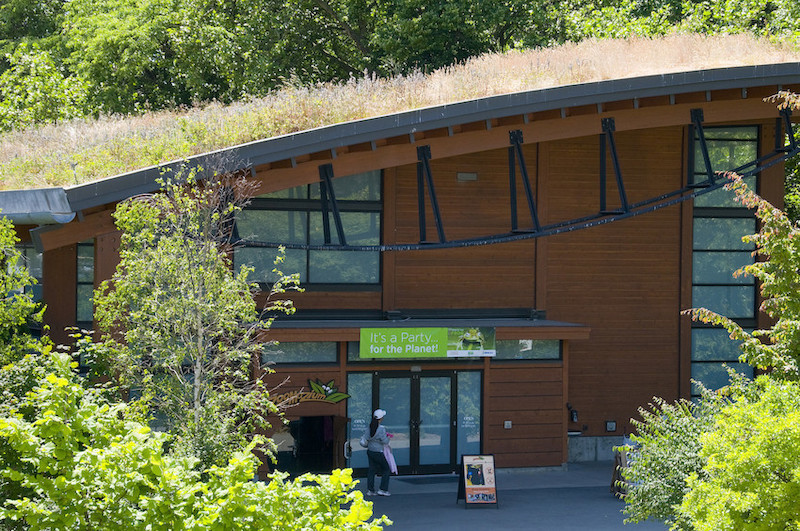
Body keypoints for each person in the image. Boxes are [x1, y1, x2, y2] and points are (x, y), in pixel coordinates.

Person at [364, 408, 391, 496]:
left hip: (370, 450)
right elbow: (385, 441)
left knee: (371, 470)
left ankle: (370, 490)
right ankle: (383, 489)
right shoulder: (381, 429)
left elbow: (366, 437)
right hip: (378, 451)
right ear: (381, 418)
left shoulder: (369, 427)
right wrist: (388, 437)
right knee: (386, 469)